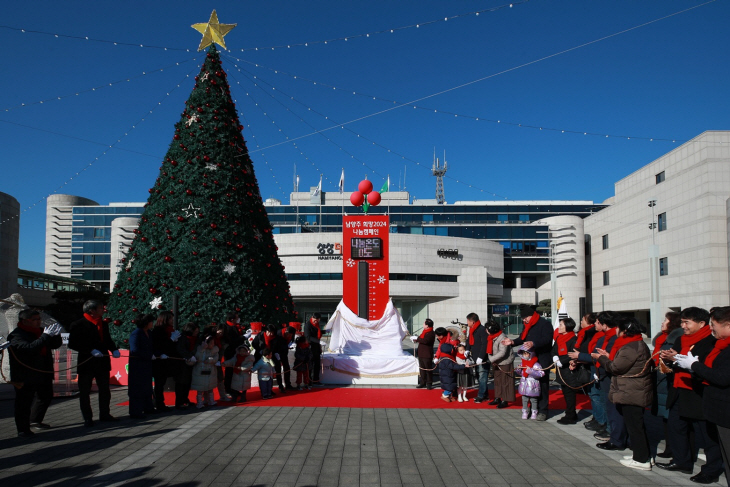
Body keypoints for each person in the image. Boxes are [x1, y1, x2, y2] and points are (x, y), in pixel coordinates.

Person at [658, 307, 724, 483]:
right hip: (679, 388)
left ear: (701, 323)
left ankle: (711, 469)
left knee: (705, 434)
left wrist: (683, 360)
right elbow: (676, 361)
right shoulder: (681, 338)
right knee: (676, 427)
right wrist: (670, 358)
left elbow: (705, 366)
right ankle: (682, 461)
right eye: (682, 322)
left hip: (697, 391)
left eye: (687, 322)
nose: (683, 326)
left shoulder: (710, 341)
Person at [677, 306, 730, 486]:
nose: (712, 328)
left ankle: (712, 469)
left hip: (723, 407)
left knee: (718, 446)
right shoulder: (721, 344)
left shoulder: (718, 346)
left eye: (714, 324)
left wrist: (694, 365)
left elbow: (722, 377)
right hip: (712, 403)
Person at [595, 317, 653, 471]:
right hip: (632, 390)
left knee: (635, 426)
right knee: (635, 424)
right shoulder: (635, 344)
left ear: (625, 330)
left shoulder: (630, 347)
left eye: (618, 328)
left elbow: (615, 368)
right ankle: (642, 455)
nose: (616, 331)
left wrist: (601, 358)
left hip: (632, 391)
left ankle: (642, 459)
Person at [7, 310, 62, 437]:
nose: (38, 322)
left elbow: (54, 345)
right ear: (25, 321)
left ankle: (35, 420)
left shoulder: (41, 331)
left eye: (39, 319)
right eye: (35, 319)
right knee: (24, 402)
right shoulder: (17, 335)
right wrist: (45, 336)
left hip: (43, 371)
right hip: (25, 374)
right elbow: (29, 348)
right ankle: (22, 429)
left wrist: (56, 335)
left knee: (45, 396)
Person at [68, 300, 120, 427]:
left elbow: (107, 339)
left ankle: (105, 414)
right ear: (91, 311)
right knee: (85, 391)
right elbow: (73, 343)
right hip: (87, 362)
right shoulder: (78, 324)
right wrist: (90, 350)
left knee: (104, 389)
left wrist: (113, 349)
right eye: (100, 308)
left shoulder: (103, 324)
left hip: (102, 361)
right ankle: (87, 417)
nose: (103, 310)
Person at [502, 304, 553, 420]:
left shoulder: (545, 324)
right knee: (529, 384)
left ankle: (543, 410)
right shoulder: (527, 325)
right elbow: (522, 338)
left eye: (525, 318)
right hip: (529, 359)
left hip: (542, 358)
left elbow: (547, 339)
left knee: (543, 385)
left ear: (531, 315)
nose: (524, 320)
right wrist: (512, 342)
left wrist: (534, 343)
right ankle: (532, 408)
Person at [651, 311, 683, 458]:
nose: (662, 322)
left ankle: (674, 450)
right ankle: (670, 448)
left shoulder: (675, 340)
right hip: (661, 381)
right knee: (666, 419)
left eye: (666, 320)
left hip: (668, 382)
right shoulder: (662, 339)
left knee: (672, 419)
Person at [567, 313, 599, 428]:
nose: (581, 322)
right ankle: (597, 418)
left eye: (583, 319)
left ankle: (600, 420)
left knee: (596, 396)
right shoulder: (584, 333)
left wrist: (579, 357)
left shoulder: (591, 333)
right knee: (592, 394)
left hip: (593, 366)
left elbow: (590, 351)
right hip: (585, 363)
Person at [150, 311, 179, 412]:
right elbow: (159, 345)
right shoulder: (158, 330)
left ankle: (158, 402)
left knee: (161, 383)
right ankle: (159, 403)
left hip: (167, 360)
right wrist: (171, 340)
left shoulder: (169, 329)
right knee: (159, 383)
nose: (172, 320)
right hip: (159, 361)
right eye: (170, 319)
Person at [128, 314, 156, 419]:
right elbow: (134, 350)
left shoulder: (149, 332)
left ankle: (148, 407)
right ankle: (135, 411)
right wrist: (148, 355)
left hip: (147, 364)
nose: (152, 323)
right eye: (150, 321)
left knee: (147, 386)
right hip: (138, 365)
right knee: (137, 388)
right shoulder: (136, 333)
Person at [552, 317, 579, 425]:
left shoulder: (573, 339)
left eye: (561, 325)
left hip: (569, 370)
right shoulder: (559, 338)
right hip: (560, 369)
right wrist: (554, 357)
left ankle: (571, 415)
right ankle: (571, 413)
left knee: (570, 393)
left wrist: (561, 361)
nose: (559, 327)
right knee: (565, 392)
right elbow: (553, 350)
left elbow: (572, 353)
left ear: (567, 327)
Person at [486, 321, 514, 408]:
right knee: (497, 381)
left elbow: (503, 352)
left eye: (487, 329)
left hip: (505, 362)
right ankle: (497, 397)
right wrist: (492, 359)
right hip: (496, 361)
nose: (486, 330)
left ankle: (505, 400)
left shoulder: (502, 338)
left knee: (505, 381)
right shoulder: (491, 337)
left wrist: (491, 359)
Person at [175, 322, 200, 409]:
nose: (196, 333)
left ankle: (185, 399)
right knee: (181, 383)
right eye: (195, 331)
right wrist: (188, 356)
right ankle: (179, 402)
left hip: (191, 362)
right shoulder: (183, 338)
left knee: (187, 382)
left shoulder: (195, 339)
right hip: (182, 363)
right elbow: (180, 349)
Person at [464, 313, 488, 404]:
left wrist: (481, 356)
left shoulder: (482, 330)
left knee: (482, 377)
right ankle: (485, 394)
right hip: (474, 357)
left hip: (482, 358)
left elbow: (484, 344)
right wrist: (467, 349)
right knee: (478, 376)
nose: (467, 323)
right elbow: (468, 340)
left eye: (468, 321)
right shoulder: (472, 329)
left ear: (472, 322)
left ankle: (481, 395)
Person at [517, 344, 544, 419]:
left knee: (533, 400)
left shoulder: (536, 364)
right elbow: (520, 373)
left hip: (533, 384)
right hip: (524, 384)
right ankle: (525, 412)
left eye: (526, 353)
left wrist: (531, 371)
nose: (525, 355)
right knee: (524, 399)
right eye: (523, 353)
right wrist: (518, 369)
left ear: (531, 354)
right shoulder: (522, 363)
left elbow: (541, 374)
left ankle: (534, 412)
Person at [191, 335, 219, 408]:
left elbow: (216, 358)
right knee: (200, 388)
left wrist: (211, 360)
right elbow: (198, 357)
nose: (212, 345)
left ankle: (211, 400)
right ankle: (199, 402)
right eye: (211, 343)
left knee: (210, 387)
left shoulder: (215, 349)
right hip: (200, 370)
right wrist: (202, 349)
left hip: (210, 370)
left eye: (213, 343)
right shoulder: (199, 348)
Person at [410, 318, 435, 389]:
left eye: (424, 323)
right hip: (421, 353)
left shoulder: (431, 333)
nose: (423, 324)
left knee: (428, 369)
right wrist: (416, 340)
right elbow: (422, 340)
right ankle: (422, 382)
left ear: (427, 325)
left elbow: (426, 341)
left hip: (427, 354)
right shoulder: (424, 331)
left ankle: (429, 383)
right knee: (422, 369)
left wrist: (417, 338)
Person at [304, 313, 324, 385]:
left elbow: (317, 333)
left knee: (317, 364)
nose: (316, 322)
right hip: (310, 347)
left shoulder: (317, 325)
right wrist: (319, 341)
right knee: (311, 365)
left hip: (316, 347)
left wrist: (325, 331)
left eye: (317, 321)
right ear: (312, 318)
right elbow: (308, 337)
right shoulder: (308, 325)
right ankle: (310, 381)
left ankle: (316, 380)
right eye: (315, 320)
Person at [277, 326, 296, 391]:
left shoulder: (292, 335)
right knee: (278, 369)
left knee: (287, 368)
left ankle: (288, 384)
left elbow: (291, 341)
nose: (288, 336)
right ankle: (280, 386)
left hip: (284, 352)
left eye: (290, 335)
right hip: (277, 353)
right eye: (288, 334)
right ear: (286, 331)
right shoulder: (279, 334)